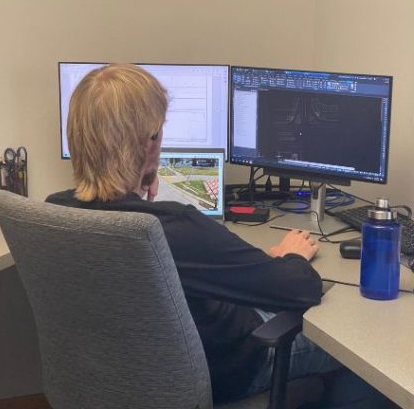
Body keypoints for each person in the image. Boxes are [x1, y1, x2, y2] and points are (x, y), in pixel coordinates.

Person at [48, 63, 396, 408]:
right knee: (367, 352)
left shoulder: (55, 214)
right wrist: (291, 254)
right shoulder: (173, 227)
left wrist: (138, 179)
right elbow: (299, 288)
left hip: (114, 377)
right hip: (234, 367)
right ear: (149, 144)